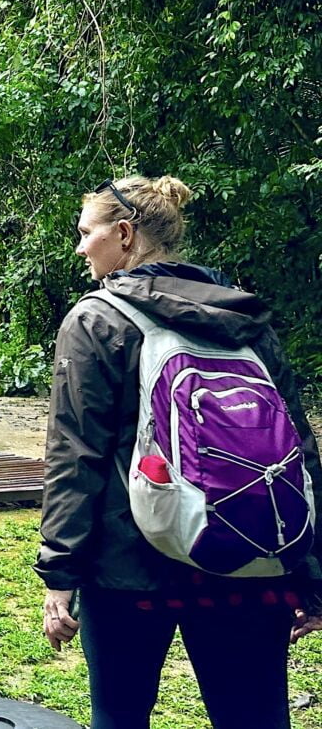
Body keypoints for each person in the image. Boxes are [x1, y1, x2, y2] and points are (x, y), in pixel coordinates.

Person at [38, 175, 322, 729]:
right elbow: (299, 448)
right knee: (255, 717)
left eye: (85, 233)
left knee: (120, 716)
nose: (79, 248)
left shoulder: (97, 319)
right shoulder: (243, 320)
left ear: (122, 234)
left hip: (129, 567)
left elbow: (76, 457)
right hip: (247, 553)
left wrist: (61, 573)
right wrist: (310, 571)